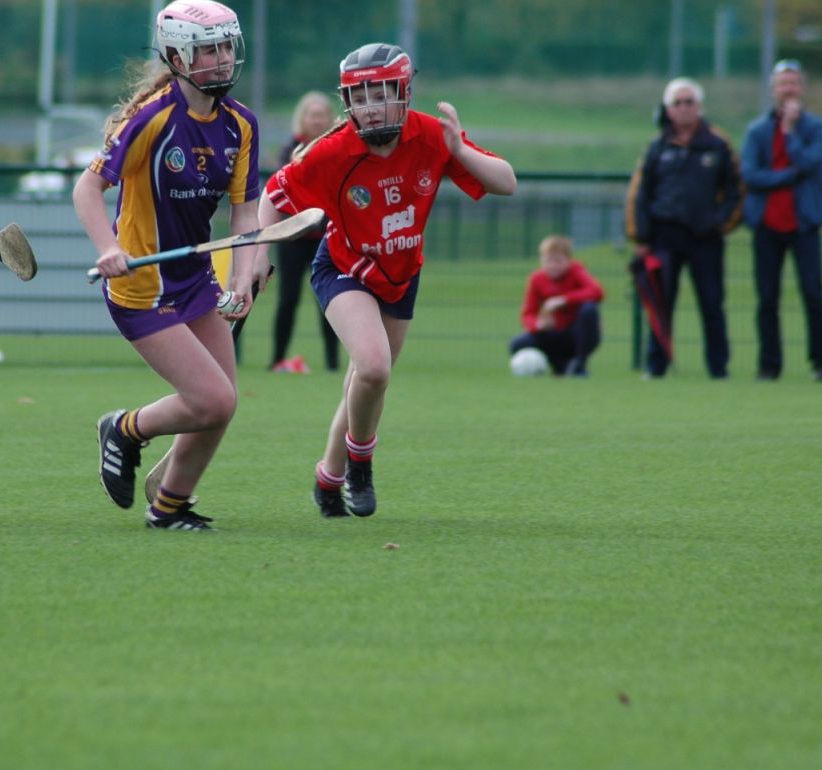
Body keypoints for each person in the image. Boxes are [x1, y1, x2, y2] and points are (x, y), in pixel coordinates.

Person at [256, 42, 516, 519]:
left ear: (404, 92)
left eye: (381, 95)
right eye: (360, 97)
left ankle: (328, 479)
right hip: (343, 268)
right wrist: (257, 256)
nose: (371, 108)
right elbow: (273, 195)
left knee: (364, 384)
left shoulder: (433, 135)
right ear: (347, 102)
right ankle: (360, 464)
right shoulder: (334, 150)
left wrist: (460, 151)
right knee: (374, 368)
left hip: (402, 275)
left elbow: (506, 181)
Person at [72, 0, 260, 532]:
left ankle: (171, 505)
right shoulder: (151, 120)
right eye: (208, 50)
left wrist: (242, 276)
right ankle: (124, 429)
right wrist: (105, 247)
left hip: (197, 280)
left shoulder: (240, 125)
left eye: (227, 46)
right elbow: (88, 188)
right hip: (141, 287)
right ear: (177, 55)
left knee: (221, 406)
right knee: (212, 399)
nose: (222, 59)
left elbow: (245, 215)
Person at [624, 77, 742, 379]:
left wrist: (720, 223)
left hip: (705, 237)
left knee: (712, 303)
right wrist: (641, 236)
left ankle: (719, 368)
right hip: (665, 236)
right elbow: (640, 194)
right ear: (668, 109)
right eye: (678, 103)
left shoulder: (717, 145)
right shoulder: (656, 147)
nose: (684, 108)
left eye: (689, 102)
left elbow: (736, 191)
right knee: (661, 302)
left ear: (699, 107)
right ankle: (656, 365)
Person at [741, 59, 822, 382]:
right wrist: (787, 176)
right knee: (767, 298)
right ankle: (769, 365)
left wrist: (790, 131)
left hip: (804, 223)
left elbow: (808, 161)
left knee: (812, 292)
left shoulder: (814, 128)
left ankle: (821, 363)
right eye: (783, 83)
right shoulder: (756, 131)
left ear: (802, 89)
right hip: (767, 224)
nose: (789, 89)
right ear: (773, 90)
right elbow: (750, 175)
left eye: (794, 83)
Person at [269, 91, 341, 374]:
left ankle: (333, 363)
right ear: (303, 118)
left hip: (325, 238)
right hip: (294, 240)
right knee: (288, 299)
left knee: (330, 302)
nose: (316, 120)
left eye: (321, 115)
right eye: (311, 115)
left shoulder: (336, 149)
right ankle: (277, 360)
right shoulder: (291, 151)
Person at [508, 234, 604, 377]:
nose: (553, 265)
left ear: (568, 260)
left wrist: (565, 299)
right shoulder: (537, 279)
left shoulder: (576, 271)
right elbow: (528, 314)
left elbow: (597, 291)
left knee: (589, 309)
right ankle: (560, 366)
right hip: (552, 333)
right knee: (517, 344)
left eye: (558, 260)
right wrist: (538, 325)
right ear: (542, 260)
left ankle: (579, 364)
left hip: (576, 333)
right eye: (548, 260)